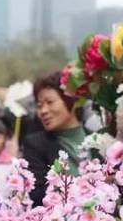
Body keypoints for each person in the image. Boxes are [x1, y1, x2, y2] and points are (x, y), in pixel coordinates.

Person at [23, 71, 86, 206]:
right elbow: (38, 195)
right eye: (39, 106)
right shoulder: (35, 145)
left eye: (49, 102)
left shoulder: (98, 139)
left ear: (70, 100)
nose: (43, 111)